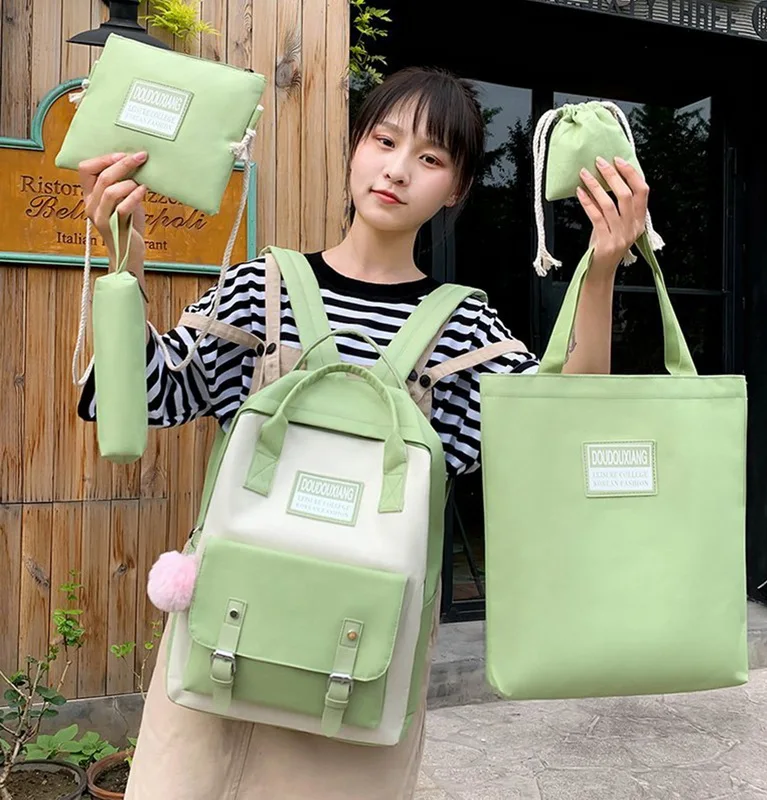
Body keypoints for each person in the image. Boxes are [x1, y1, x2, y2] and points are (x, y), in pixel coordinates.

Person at [77, 67, 651, 799]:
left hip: (362, 665)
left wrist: (601, 270)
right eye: (384, 140)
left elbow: (561, 432)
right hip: (224, 645)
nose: (397, 169)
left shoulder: (462, 327)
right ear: (354, 147)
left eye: (430, 157)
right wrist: (124, 255)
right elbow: (142, 395)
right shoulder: (264, 289)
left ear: (456, 188)